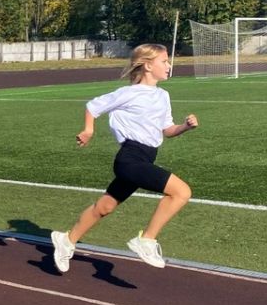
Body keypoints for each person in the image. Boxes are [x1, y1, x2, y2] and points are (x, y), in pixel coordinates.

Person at [50, 44, 198, 272]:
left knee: (105, 206)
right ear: (148, 65)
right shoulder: (128, 93)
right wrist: (89, 130)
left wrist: (185, 127)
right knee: (181, 192)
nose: (169, 66)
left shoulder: (163, 95)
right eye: (164, 61)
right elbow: (93, 106)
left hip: (145, 160)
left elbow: (167, 129)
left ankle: (67, 240)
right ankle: (146, 240)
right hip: (130, 159)